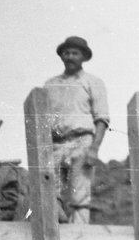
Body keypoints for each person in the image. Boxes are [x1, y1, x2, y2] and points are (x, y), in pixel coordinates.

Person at [40, 36, 110, 224]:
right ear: (62, 56)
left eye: (75, 53)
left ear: (83, 57)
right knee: (50, 195)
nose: (70, 57)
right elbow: (42, 119)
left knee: (80, 197)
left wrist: (94, 149)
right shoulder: (50, 85)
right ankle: (56, 236)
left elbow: (102, 118)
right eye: (66, 53)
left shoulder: (92, 82)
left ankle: (80, 237)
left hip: (81, 141)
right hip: (55, 144)